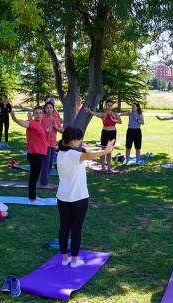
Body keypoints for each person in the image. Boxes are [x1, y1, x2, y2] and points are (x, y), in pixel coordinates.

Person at [56, 127, 115, 268]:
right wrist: (105, 151)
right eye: (79, 139)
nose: (81, 141)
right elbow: (87, 156)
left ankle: (64, 258)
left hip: (62, 197)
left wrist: (90, 148)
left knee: (64, 227)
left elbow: (84, 153)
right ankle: (74, 261)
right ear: (72, 140)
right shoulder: (73, 155)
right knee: (76, 229)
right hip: (79, 198)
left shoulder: (61, 153)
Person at [10, 106, 48, 205]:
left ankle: (34, 195)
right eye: (36, 113)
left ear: (43, 115)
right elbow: (24, 123)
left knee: (35, 177)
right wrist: (15, 119)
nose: (39, 115)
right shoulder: (32, 123)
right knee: (33, 177)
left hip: (40, 154)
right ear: (34, 114)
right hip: (35, 155)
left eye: (40, 113)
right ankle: (32, 199)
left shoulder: (40, 125)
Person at [85, 100, 122, 172]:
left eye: (111, 105)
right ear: (106, 105)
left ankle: (108, 167)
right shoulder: (103, 114)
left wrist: (115, 120)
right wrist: (89, 111)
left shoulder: (115, 114)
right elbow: (94, 113)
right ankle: (102, 167)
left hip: (113, 132)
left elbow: (120, 122)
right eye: (108, 105)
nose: (109, 107)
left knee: (109, 151)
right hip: (105, 132)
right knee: (103, 150)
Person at [40, 101, 64, 186]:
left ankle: (46, 180)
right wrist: (45, 131)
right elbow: (38, 129)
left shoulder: (56, 120)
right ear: (45, 109)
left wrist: (56, 127)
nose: (49, 109)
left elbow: (62, 131)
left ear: (53, 109)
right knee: (46, 164)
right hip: (44, 145)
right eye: (47, 108)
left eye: (50, 108)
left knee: (50, 164)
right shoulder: (42, 118)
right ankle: (44, 182)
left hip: (53, 145)